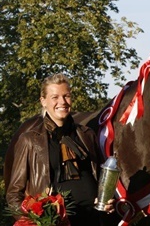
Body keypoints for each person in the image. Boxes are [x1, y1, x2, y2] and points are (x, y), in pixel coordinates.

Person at [6, 73, 114, 226]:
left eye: (66, 96)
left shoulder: (87, 134)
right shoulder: (29, 140)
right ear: (43, 101)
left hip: (92, 219)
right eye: (55, 97)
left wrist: (105, 199)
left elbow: (101, 178)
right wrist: (33, 221)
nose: (62, 102)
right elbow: (13, 194)